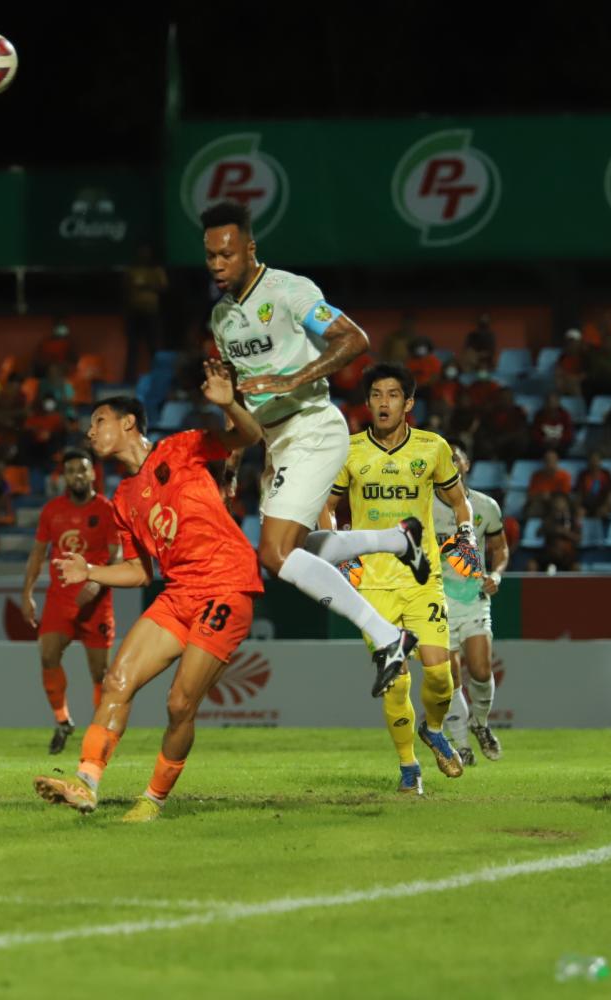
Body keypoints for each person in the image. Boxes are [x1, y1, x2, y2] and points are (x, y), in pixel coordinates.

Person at [200, 200, 426, 696]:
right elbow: (236, 396)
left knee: (275, 555)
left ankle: (388, 637)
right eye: (211, 255)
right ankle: (397, 541)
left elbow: (354, 339)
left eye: (227, 254)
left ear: (250, 249)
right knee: (292, 552)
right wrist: (234, 459)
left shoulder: (288, 291)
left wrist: (290, 379)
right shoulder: (222, 318)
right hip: (275, 442)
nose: (217, 264)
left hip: (314, 426)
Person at [33, 364, 262, 821]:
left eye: (98, 421)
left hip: (226, 585)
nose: (90, 431)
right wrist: (92, 571)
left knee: (180, 703)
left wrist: (228, 404)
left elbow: (249, 437)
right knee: (117, 681)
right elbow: (140, 572)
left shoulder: (181, 448)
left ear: (128, 423)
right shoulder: (123, 498)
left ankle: (153, 799)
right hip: (178, 593)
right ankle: (85, 784)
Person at [320, 365, 477, 795]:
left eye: (392, 395)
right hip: (372, 586)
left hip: (422, 580)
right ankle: (409, 767)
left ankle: (435, 728)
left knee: (441, 677)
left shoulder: (433, 447)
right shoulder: (349, 451)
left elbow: (460, 503)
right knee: (396, 678)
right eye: (375, 395)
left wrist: (465, 535)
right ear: (367, 402)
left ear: (408, 403)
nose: (383, 403)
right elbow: (327, 507)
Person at [22, 448, 119, 753]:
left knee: (100, 674)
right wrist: (26, 594)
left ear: (93, 474)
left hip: (96, 599)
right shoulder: (52, 511)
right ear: (64, 476)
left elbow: (116, 553)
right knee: (48, 655)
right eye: (71, 470)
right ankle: (63, 721)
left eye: (82, 469)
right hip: (60, 598)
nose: (77, 475)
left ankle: (98, 730)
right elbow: (38, 554)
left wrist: (98, 579)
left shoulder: (107, 510)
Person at [433, 442, 509, 765]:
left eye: (455, 456)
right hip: (436, 599)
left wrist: (497, 574)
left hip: (473, 597)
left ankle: (480, 723)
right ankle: (461, 745)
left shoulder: (485, 507)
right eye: (444, 458)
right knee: (448, 677)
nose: (450, 461)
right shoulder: (424, 507)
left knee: (479, 670)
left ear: (465, 464)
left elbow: (500, 549)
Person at [123, 244, 168, 381]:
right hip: (134, 313)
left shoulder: (156, 271)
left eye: (147, 253)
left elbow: (164, 287)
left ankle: (158, 377)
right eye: (142, 253)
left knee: (154, 347)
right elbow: (125, 287)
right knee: (133, 347)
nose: (144, 256)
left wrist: (145, 285)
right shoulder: (131, 270)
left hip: (151, 313)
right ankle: (129, 378)